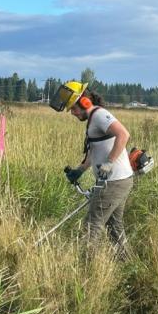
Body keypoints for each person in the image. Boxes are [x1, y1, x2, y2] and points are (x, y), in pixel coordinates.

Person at [53, 80, 134, 256]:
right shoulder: (93, 120)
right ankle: (126, 261)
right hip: (120, 180)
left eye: (73, 108)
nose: (72, 113)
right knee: (114, 225)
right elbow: (94, 152)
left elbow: (123, 134)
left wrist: (110, 162)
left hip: (113, 182)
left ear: (84, 102)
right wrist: (79, 170)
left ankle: (88, 269)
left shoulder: (99, 115)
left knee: (92, 225)